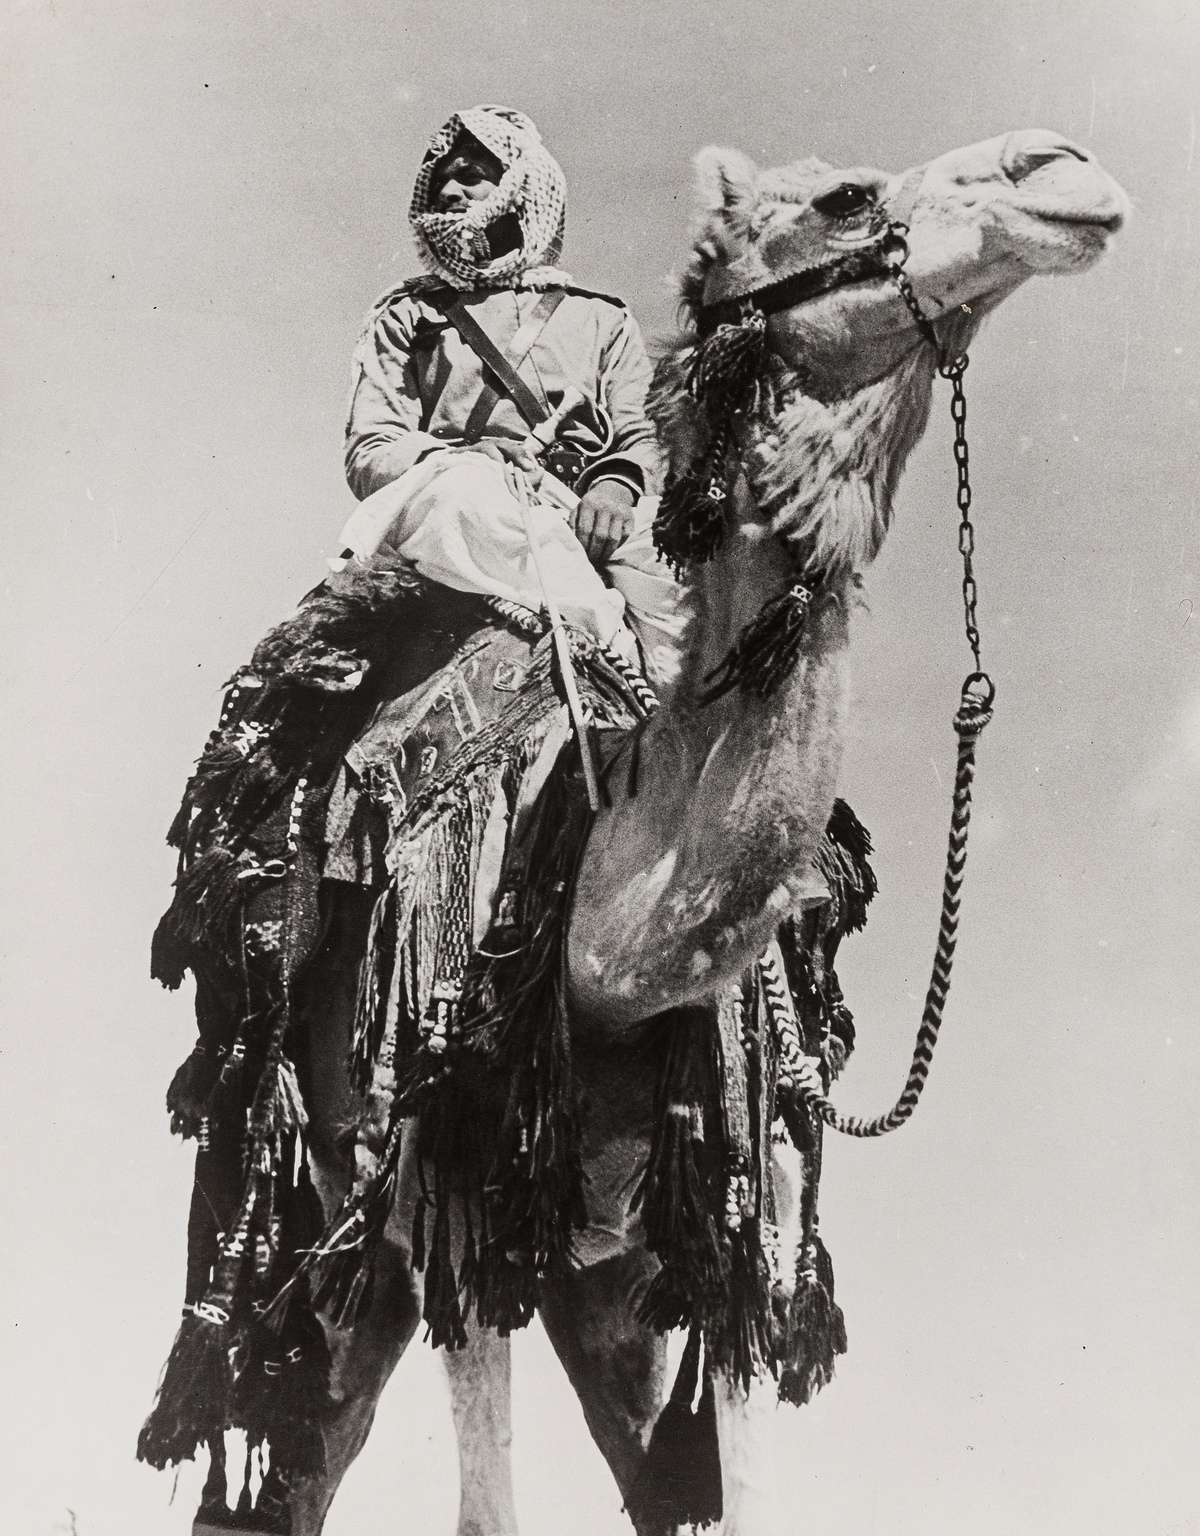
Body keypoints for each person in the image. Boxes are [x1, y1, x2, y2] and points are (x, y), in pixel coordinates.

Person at [337, 104, 683, 682]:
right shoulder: (407, 315)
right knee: (464, 498)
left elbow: (642, 431)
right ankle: (605, 657)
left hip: (588, 508)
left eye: (471, 174)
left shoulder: (600, 319)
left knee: (697, 581)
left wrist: (616, 488)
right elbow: (372, 447)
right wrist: (464, 459)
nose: (449, 189)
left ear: (524, 188)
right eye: (441, 178)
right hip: (470, 501)